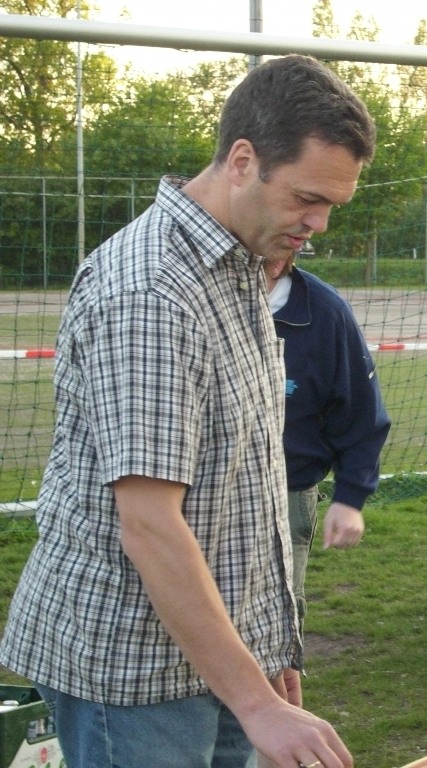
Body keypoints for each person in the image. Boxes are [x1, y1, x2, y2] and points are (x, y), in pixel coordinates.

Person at [0, 55, 376, 768]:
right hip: (134, 671)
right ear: (243, 161)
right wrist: (258, 703)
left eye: (333, 204)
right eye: (306, 198)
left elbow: (243, 479)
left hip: (223, 656)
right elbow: (149, 524)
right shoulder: (151, 293)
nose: (319, 223)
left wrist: (265, 650)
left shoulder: (242, 264)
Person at [263, 254, 390, 644]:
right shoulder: (198, 297)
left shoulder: (325, 311)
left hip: (286, 496)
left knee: (274, 624)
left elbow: (361, 412)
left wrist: (350, 497)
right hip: (194, 495)